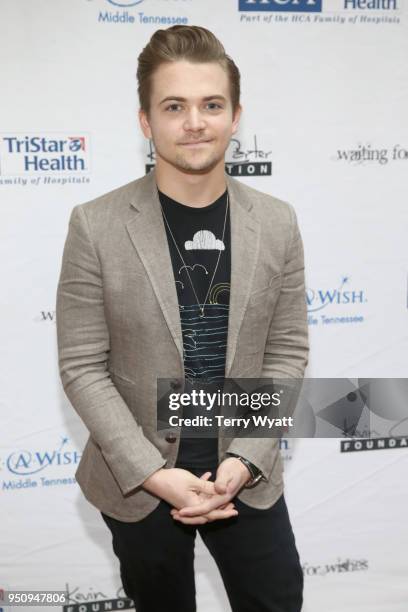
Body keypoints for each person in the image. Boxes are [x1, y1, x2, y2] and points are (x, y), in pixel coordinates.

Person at [56, 25, 309, 612]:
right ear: (146, 121)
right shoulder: (95, 224)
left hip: (246, 467)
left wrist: (245, 458)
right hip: (139, 478)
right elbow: (82, 366)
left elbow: (288, 351)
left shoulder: (277, 221)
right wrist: (152, 473)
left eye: (211, 105)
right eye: (175, 106)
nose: (194, 122)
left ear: (235, 115)